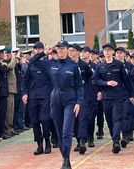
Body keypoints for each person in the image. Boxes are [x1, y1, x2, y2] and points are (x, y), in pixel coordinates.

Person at [29, 40, 83, 169]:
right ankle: (65, 156)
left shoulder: (73, 66)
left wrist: (79, 102)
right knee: (59, 131)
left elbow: (80, 86)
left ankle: (66, 158)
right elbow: (33, 61)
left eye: (63, 48)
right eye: (58, 48)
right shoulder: (50, 64)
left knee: (66, 131)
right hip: (56, 98)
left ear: (67, 49)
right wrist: (44, 52)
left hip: (70, 98)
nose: (60, 50)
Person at [93, 44, 134, 154]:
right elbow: (95, 81)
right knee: (110, 120)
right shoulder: (100, 66)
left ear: (113, 53)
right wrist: (106, 83)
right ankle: (114, 137)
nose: (107, 52)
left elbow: (126, 81)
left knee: (117, 119)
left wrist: (131, 95)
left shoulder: (119, 65)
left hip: (118, 97)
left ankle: (116, 141)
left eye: (109, 50)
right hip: (106, 97)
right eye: (105, 50)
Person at [22, 42, 54, 155]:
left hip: (45, 96)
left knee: (45, 120)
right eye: (36, 49)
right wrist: (24, 93)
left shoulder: (48, 63)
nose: (38, 50)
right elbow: (25, 81)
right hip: (33, 97)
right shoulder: (31, 64)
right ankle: (39, 144)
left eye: (40, 49)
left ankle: (47, 141)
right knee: (35, 121)